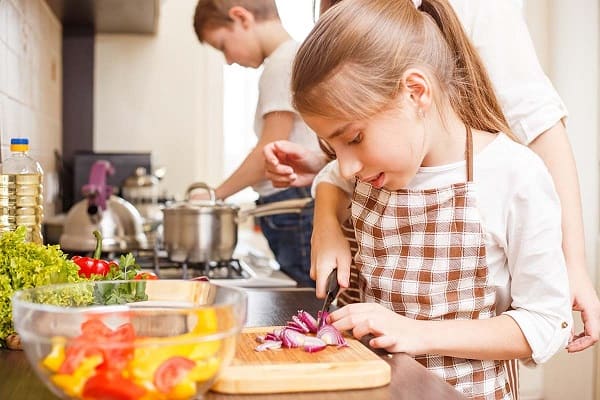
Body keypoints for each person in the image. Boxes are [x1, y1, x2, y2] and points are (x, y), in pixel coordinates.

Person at [264, 0, 600, 353]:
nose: (347, 165)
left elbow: (547, 323)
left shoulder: (514, 175)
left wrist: (415, 333)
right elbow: (333, 175)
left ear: (416, 92)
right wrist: (326, 224)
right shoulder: (377, 164)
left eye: (354, 138)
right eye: (333, 145)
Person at [192, 0, 320, 287]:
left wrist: (216, 195)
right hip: (291, 204)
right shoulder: (289, 58)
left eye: (223, 46)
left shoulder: (282, 63)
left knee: (305, 299)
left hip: (292, 204)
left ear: (241, 18)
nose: (227, 59)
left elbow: (269, 150)